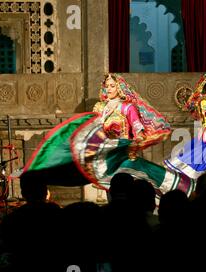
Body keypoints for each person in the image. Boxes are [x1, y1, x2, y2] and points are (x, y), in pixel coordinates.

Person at [20, 74, 195, 201]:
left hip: (123, 156)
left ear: (119, 87)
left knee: (143, 185)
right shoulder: (100, 108)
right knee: (111, 191)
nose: (109, 89)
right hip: (104, 157)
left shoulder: (128, 108)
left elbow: (137, 129)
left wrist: (136, 141)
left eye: (112, 85)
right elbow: (93, 131)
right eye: (107, 86)